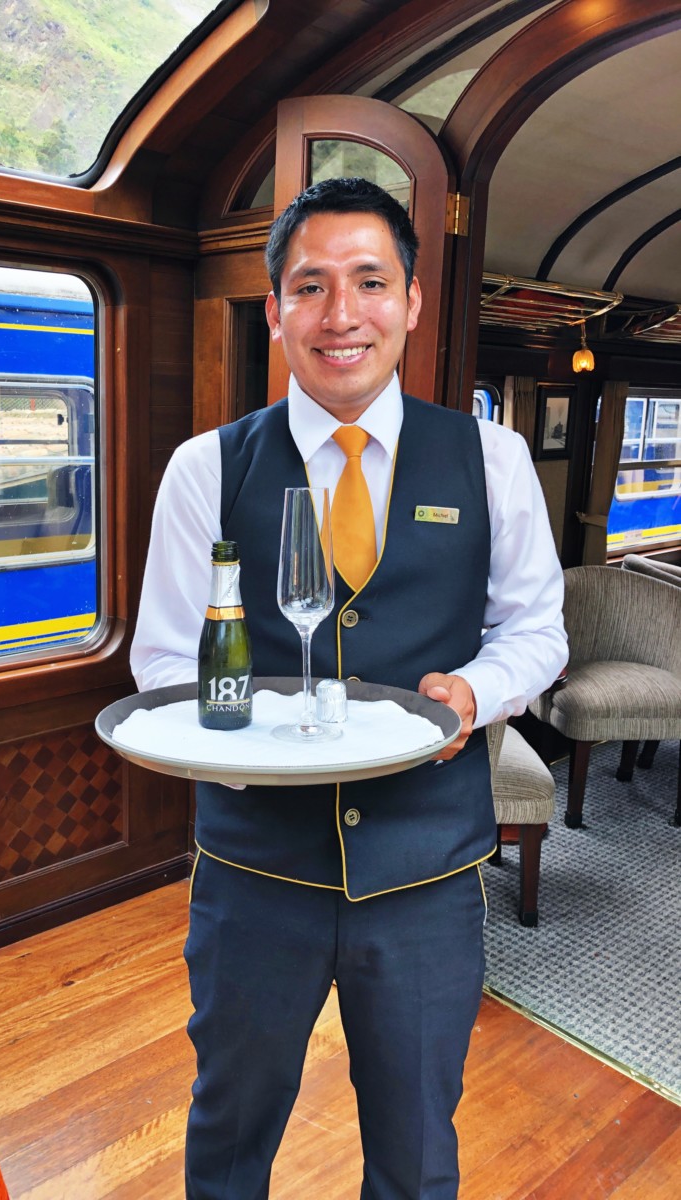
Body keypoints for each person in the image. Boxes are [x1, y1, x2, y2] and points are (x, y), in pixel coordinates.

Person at [130, 177, 568, 1200]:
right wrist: (248, 752)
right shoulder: (207, 468)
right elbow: (161, 667)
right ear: (276, 311)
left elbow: (537, 632)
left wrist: (469, 692)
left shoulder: (492, 460)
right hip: (255, 879)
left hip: (424, 877)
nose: (341, 314)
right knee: (229, 1140)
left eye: (370, 281)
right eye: (310, 286)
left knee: (418, 1158)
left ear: (412, 301)